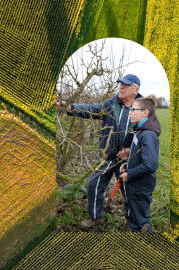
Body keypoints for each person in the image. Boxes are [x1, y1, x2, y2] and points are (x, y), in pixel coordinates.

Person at [56, 74, 143, 228]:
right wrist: (67, 106)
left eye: (126, 85)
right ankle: (96, 217)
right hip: (107, 154)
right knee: (94, 184)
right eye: (121, 84)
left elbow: (150, 133)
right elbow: (90, 109)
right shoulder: (110, 104)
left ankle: (131, 221)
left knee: (129, 190)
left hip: (128, 158)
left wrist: (131, 150)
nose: (121, 87)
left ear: (136, 89)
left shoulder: (143, 108)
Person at [119, 97, 161, 233]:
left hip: (141, 186)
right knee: (133, 214)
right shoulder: (141, 131)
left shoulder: (148, 134)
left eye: (133, 109)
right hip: (135, 184)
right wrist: (126, 165)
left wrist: (129, 174)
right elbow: (138, 156)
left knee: (141, 221)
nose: (130, 112)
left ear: (145, 112)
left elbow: (150, 165)